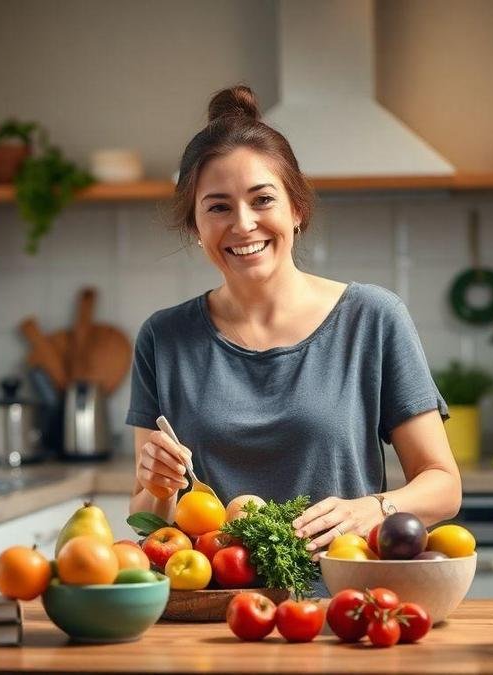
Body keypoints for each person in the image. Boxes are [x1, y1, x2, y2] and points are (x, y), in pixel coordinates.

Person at [126, 85, 461, 572]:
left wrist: (374, 508)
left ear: (296, 209)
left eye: (263, 199)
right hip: (210, 613)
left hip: (342, 611)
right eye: (218, 207)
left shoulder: (372, 318)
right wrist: (155, 486)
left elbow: (444, 484)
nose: (243, 224)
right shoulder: (163, 338)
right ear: (195, 227)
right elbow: (146, 518)